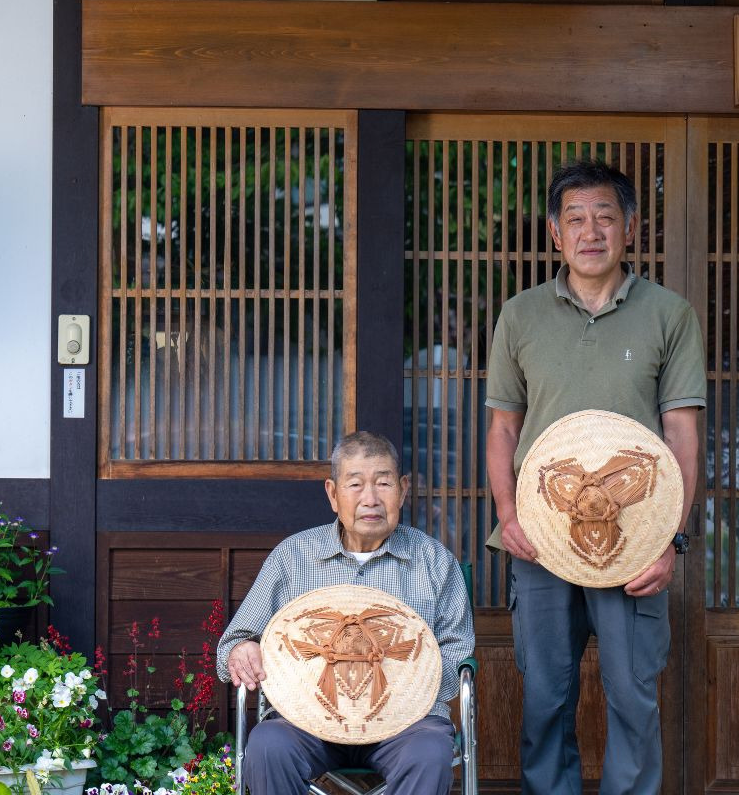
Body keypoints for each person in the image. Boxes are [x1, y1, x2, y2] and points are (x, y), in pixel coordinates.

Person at [485, 158, 705, 795]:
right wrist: (508, 513)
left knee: (633, 698)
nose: (591, 231)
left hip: (634, 539)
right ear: (555, 233)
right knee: (546, 697)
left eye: (605, 217)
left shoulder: (669, 314)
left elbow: (682, 433)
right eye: (575, 219)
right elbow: (502, 427)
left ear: (630, 229)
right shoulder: (520, 316)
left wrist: (671, 538)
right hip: (539, 537)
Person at [216, 430, 475, 795]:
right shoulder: (293, 557)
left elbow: (456, 653)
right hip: (305, 719)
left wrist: (408, 685)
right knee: (268, 746)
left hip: (407, 723)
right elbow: (233, 642)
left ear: (402, 489)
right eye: (355, 484)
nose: (370, 498)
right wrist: (243, 649)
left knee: (429, 754)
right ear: (333, 494)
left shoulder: (433, 562)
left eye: (383, 483)